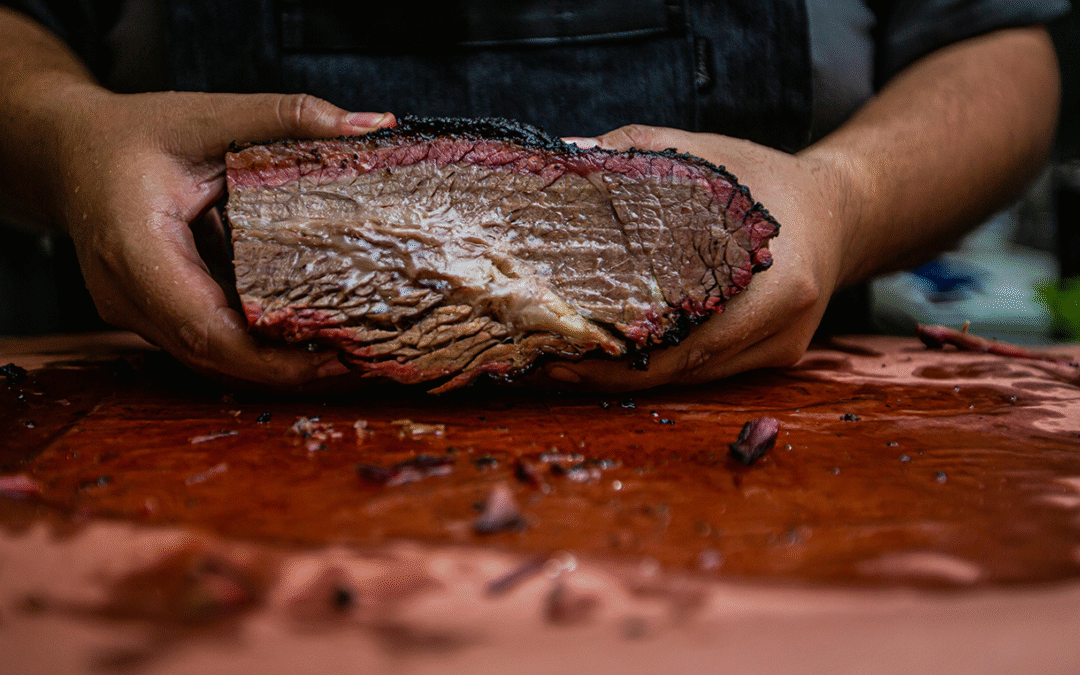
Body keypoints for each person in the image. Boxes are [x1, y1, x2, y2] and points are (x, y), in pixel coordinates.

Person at [0, 1, 1068, 390]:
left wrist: (848, 195)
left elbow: (996, 44)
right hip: (178, 415)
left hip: (767, 414)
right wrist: (62, 135)